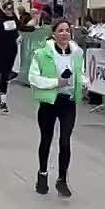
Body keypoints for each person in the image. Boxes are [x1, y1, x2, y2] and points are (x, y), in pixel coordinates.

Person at [28, 19, 86, 198]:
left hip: (68, 102)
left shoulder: (77, 53)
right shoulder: (41, 54)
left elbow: (81, 73)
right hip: (49, 102)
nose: (64, 34)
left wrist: (84, 83)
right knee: (46, 140)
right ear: (53, 34)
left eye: (67, 30)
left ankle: (62, 179)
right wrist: (56, 82)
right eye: (60, 30)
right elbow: (33, 78)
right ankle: (42, 174)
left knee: (65, 141)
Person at [0, 1, 21, 113]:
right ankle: (1, 99)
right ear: (4, 9)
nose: (10, 11)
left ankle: (1, 95)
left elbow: (20, 29)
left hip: (11, 51)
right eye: (8, 9)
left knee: (6, 75)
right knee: (2, 75)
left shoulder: (14, 20)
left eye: (11, 9)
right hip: (1, 51)